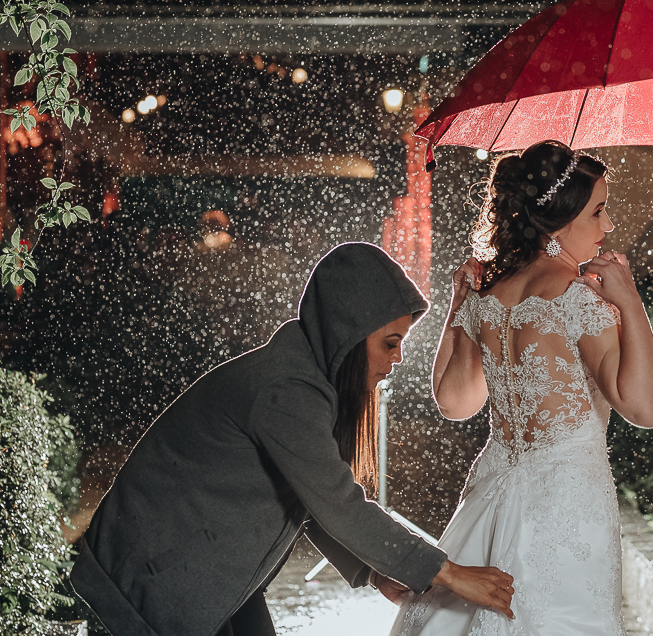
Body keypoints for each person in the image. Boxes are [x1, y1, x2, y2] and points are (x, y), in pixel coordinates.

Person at [71, 242, 515, 636]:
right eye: (390, 343)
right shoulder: (287, 392)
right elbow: (337, 502)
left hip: (204, 575)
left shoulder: (303, 379)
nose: (398, 358)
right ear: (349, 337)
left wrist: (375, 573)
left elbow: (309, 501)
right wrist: (449, 573)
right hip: (151, 579)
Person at [391, 140, 653, 636]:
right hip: (567, 501)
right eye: (598, 212)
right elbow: (645, 408)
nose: (608, 226)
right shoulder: (577, 297)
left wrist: (459, 307)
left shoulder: (489, 296)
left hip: (494, 488)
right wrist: (630, 301)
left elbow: (455, 403)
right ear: (560, 224)